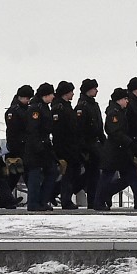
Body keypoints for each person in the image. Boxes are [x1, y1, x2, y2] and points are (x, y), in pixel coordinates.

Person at [96, 87, 137, 211]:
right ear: (119, 100)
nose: (127, 101)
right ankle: (99, 201)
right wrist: (129, 142)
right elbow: (115, 132)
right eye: (125, 99)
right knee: (107, 177)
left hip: (122, 150)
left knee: (132, 175)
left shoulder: (120, 112)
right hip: (115, 151)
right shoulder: (114, 113)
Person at [24, 82, 59, 211]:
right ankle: (34, 203)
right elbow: (33, 129)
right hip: (36, 147)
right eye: (51, 94)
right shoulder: (36, 108)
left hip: (44, 145)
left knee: (52, 171)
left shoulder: (44, 107)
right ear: (45, 95)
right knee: (35, 174)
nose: (53, 97)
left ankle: (42, 200)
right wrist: (38, 145)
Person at [74, 78, 104, 209]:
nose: (96, 90)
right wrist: (83, 148)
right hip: (87, 145)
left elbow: (99, 126)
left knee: (93, 173)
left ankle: (93, 200)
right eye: (94, 88)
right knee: (92, 174)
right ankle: (93, 200)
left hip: (95, 144)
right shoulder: (82, 106)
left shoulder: (94, 105)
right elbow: (79, 129)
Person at [51, 81, 81, 210]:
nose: (73, 94)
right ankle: (66, 200)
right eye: (71, 92)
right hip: (65, 146)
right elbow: (59, 130)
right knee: (69, 173)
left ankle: (55, 193)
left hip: (72, 145)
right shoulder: (59, 108)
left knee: (74, 172)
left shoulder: (67, 106)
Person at [4, 85, 34, 192]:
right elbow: (13, 131)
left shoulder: (24, 109)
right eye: (27, 98)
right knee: (21, 173)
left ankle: (5, 197)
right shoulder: (15, 111)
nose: (28, 101)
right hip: (18, 147)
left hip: (24, 146)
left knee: (15, 175)